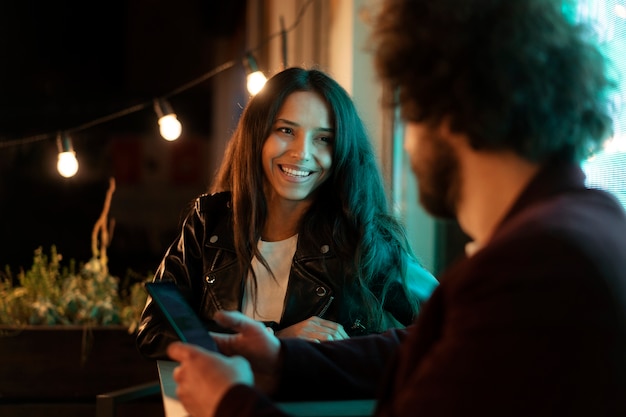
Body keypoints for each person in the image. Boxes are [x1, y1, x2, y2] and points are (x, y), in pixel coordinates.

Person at [165, 0, 626, 416]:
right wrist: (284, 359)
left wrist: (230, 404)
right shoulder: (587, 227)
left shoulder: (533, 269)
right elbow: (418, 346)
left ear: (453, 116)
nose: (408, 142)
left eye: (412, 111)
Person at [136, 67, 438, 359]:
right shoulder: (208, 222)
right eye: (286, 130)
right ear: (257, 136)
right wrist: (273, 341)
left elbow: (446, 322)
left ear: (342, 151)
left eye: (323, 139)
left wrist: (358, 351)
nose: (302, 152)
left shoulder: (362, 237)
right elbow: (154, 331)